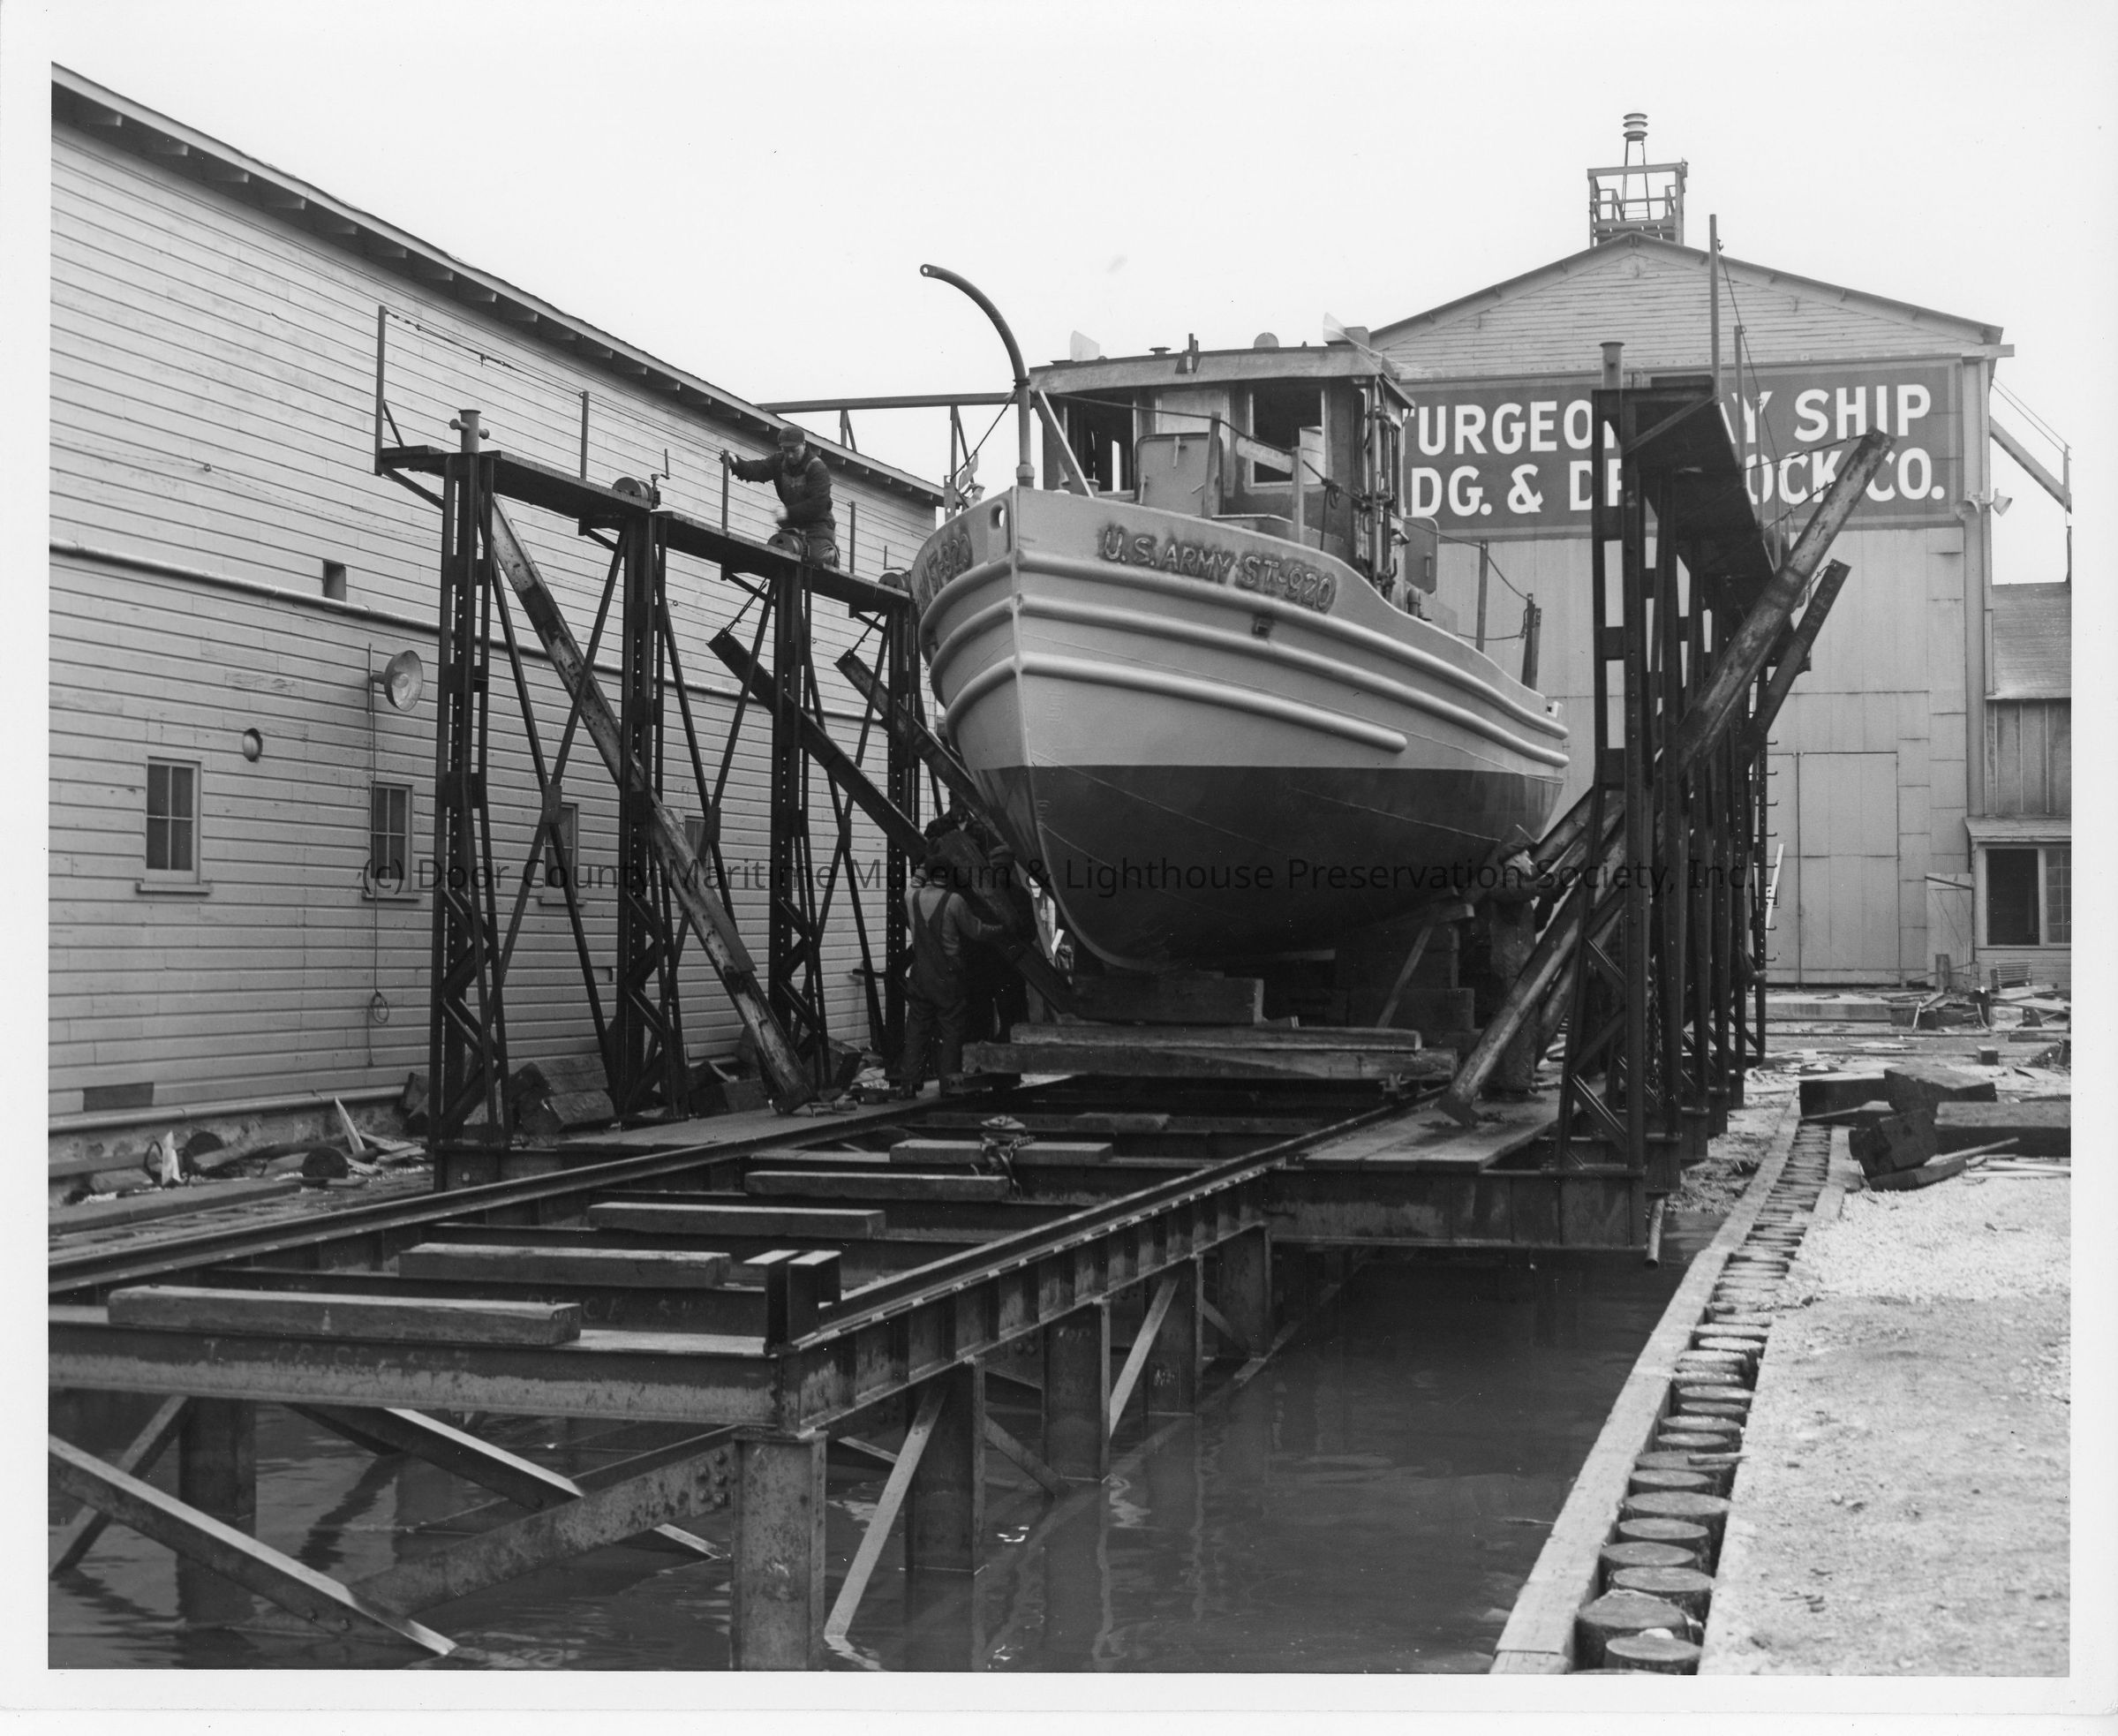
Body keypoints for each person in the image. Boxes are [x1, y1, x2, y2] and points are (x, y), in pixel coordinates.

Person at [897, 849, 1006, 1098]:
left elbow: (916, 880)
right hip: (947, 978)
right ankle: (949, 1084)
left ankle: (909, 1083)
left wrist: (926, 859)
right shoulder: (954, 901)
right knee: (952, 1029)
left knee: (916, 1029)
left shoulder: (911, 896)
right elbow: (976, 931)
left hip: (920, 975)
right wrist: (1001, 929)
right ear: (948, 875)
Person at [721, 426, 839, 566]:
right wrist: (737, 463)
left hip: (818, 526)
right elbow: (758, 469)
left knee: (815, 559)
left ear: (804, 445)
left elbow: (818, 504)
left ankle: (831, 554)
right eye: (786, 450)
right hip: (793, 524)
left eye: (794, 450)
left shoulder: (817, 468)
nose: (790, 455)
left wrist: (788, 512)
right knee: (779, 555)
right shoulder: (778, 462)